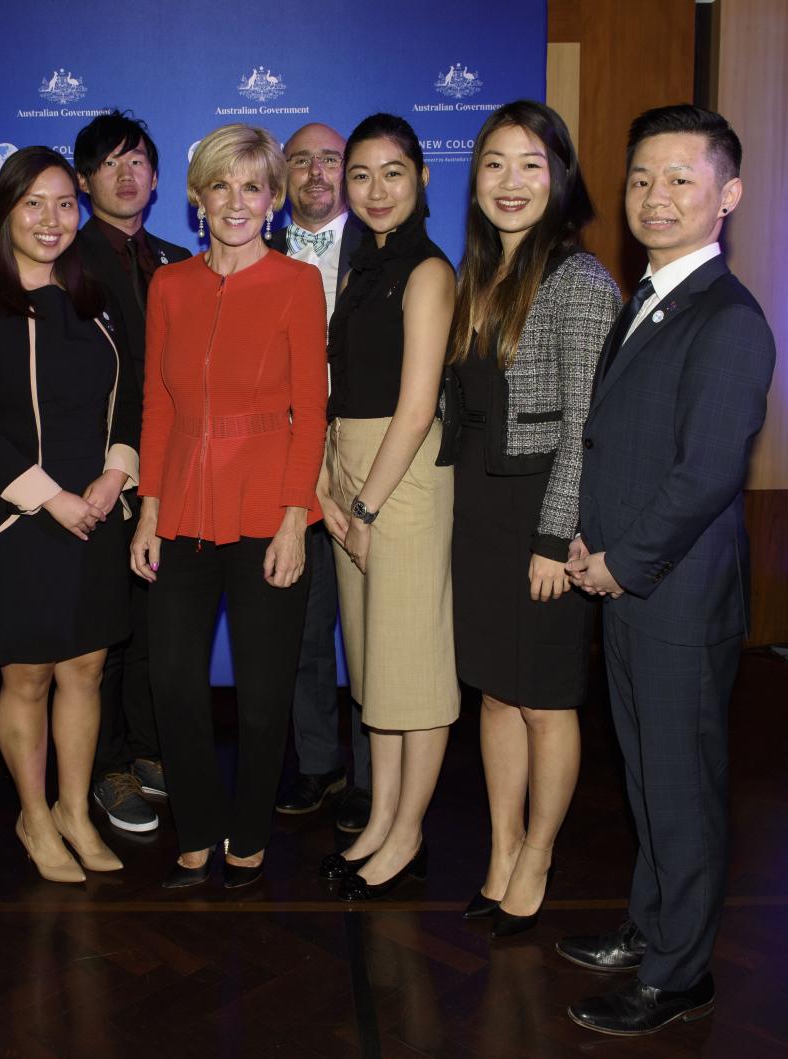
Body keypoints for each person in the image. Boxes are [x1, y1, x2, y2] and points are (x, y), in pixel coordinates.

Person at [561, 105, 775, 1035]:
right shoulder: (648, 295)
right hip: (627, 578)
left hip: (674, 589)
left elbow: (706, 473)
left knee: (683, 781)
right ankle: (653, 926)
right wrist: (586, 539)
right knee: (647, 771)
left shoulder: (729, 319)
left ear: (727, 195)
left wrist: (622, 560)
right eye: (643, 178)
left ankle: (682, 973)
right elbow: (621, 445)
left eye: (682, 179)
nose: (656, 196)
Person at [131, 124, 327, 889]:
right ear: (198, 198)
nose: (236, 202)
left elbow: (311, 410)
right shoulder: (169, 285)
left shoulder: (296, 283)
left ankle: (248, 831)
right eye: (221, 186)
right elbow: (156, 405)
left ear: (274, 199)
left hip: (266, 509)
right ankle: (199, 823)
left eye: (253, 187)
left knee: (263, 690)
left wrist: (292, 516)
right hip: (180, 504)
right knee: (174, 681)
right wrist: (147, 509)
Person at [0, 146, 139, 882]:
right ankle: (32, 814)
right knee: (28, 676)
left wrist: (117, 473)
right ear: (5, 213)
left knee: (86, 667)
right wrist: (51, 497)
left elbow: (133, 396)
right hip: (20, 520)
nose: (52, 220)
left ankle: (74, 811)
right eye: (34, 204)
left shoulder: (97, 301)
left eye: (64, 204)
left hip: (95, 513)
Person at [446, 101, 619, 936]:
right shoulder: (475, 277)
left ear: (559, 178)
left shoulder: (580, 281)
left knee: (546, 702)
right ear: (475, 180)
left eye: (530, 164)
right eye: (494, 164)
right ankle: (501, 844)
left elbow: (588, 427)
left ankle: (540, 852)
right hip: (477, 514)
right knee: (493, 697)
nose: (510, 182)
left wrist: (556, 539)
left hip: (541, 515)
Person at [316, 113, 458, 900]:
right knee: (376, 670)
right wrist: (330, 486)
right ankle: (379, 822)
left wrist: (364, 508)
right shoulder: (357, 264)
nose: (374, 190)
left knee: (419, 670)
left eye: (392, 173)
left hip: (400, 481)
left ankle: (408, 834)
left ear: (423, 179)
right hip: (351, 471)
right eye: (360, 175)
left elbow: (415, 406)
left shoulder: (430, 272)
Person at [72, 110, 189, 833]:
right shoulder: (64, 259)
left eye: (138, 160)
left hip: (174, 476)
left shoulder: (178, 259)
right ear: (84, 179)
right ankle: (106, 764)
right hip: (99, 476)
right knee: (105, 631)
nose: (126, 174)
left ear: (155, 174)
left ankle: (147, 748)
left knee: (156, 625)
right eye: (110, 163)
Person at [268, 122, 372, 834]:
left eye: (329, 160)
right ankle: (316, 762)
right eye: (299, 160)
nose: (314, 173)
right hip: (288, 456)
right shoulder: (254, 253)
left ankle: (371, 774)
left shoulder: (385, 251)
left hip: (368, 452)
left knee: (373, 627)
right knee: (302, 626)